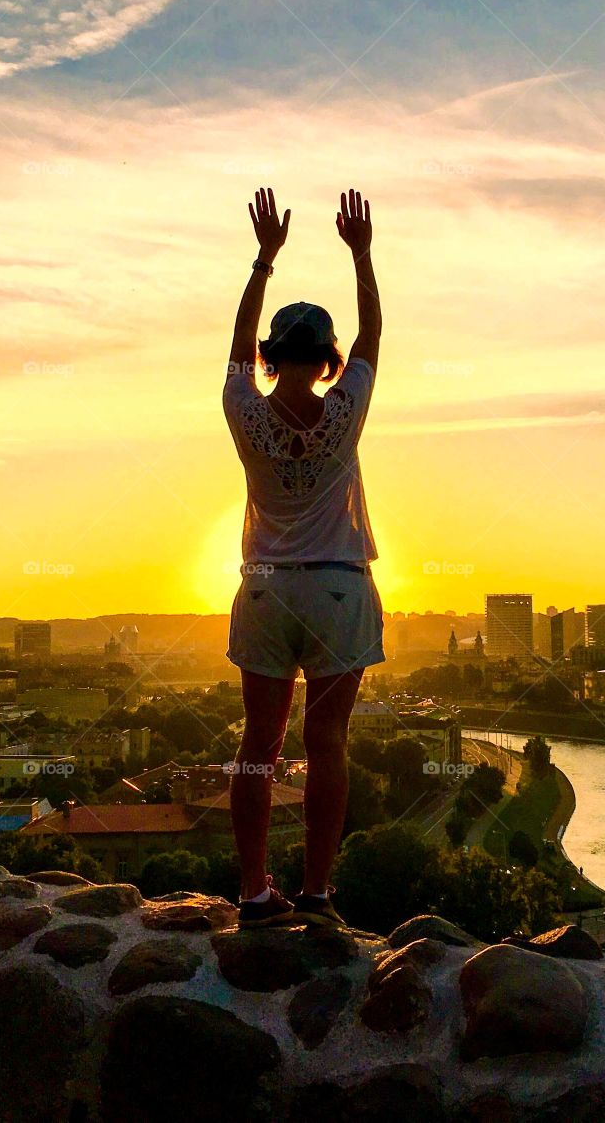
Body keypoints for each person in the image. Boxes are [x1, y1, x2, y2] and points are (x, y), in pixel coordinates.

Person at [222, 186, 384, 927]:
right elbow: (373, 331)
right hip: (337, 589)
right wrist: (361, 255)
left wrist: (263, 260)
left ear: (271, 356)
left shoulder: (244, 410)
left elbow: (235, 344)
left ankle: (254, 893)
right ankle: (317, 892)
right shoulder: (343, 411)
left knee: (258, 745)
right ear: (326, 361)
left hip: (264, 589)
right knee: (328, 744)